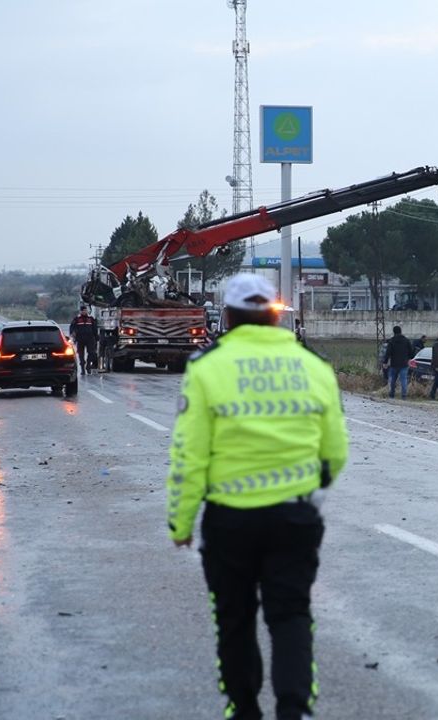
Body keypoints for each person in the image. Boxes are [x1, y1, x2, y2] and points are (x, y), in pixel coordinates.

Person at [166, 273, 348, 720]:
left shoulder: (206, 368)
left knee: (234, 618)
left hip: (230, 523)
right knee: (291, 616)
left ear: (227, 316)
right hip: (295, 520)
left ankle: (243, 708)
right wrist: (307, 488)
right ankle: (295, 709)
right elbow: (335, 452)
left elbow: (190, 456)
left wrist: (181, 522)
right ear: (274, 315)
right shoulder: (314, 366)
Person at [384, 325, 415, 399]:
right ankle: (404, 395)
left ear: (394, 332)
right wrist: (410, 357)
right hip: (404, 363)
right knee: (403, 380)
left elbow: (388, 352)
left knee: (392, 380)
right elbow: (411, 352)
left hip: (394, 363)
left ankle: (392, 394)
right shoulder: (406, 340)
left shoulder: (391, 341)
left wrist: (385, 362)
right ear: (401, 331)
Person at [68, 306, 99, 375]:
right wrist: (72, 335)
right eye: (83, 310)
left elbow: (95, 329)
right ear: (80, 311)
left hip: (90, 339)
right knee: (81, 355)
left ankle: (88, 366)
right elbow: (72, 327)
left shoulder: (90, 319)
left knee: (91, 353)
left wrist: (96, 337)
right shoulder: (77, 319)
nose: (84, 312)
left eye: (85, 310)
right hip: (80, 339)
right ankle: (82, 369)